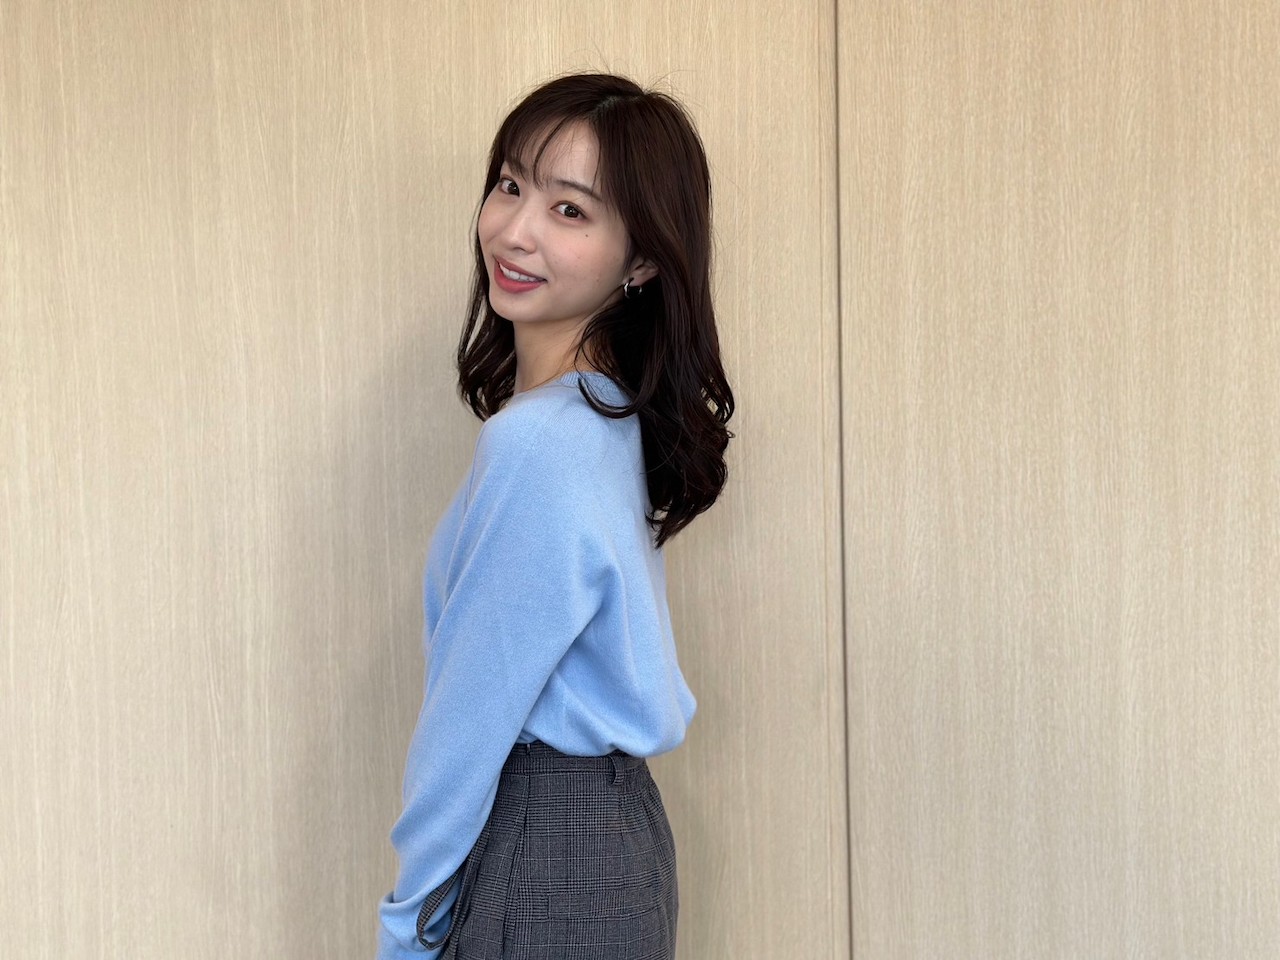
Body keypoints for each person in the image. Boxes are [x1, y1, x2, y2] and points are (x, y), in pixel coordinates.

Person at [376, 72, 734, 960]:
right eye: (510, 185)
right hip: (614, 845)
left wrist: (407, 926)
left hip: (544, 846)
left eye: (569, 210)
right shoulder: (604, 417)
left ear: (641, 261)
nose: (516, 230)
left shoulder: (539, 441)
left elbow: (466, 724)